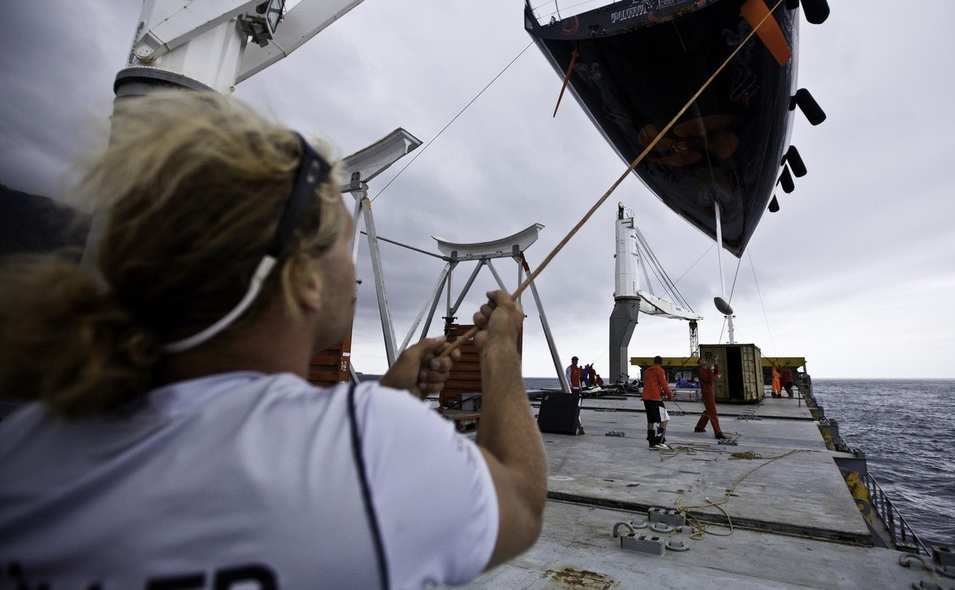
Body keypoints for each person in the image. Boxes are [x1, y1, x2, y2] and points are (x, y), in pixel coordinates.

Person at [0, 91, 547, 589]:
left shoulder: (25, 446)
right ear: (303, 280)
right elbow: (520, 501)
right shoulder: (374, 445)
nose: (352, 276)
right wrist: (501, 356)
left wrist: (392, 389)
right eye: (342, 247)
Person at [641, 355, 675, 450]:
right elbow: (664, 384)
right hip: (655, 399)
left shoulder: (647, 371)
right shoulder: (660, 370)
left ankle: (651, 443)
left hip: (646, 399)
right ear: (661, 363)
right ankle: (660, 441)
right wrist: (670, 395)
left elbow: (651, 384)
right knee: (664, 419)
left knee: (650, 420)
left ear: (654, 362)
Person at [694, 357, 725, 439]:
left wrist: (716, 363)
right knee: (712, 413)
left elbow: (715, 372)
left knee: (708, 411)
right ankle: (718, 432)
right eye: (701, 360)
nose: (703, 360)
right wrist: (711, 370)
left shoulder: (706, 369)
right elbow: (709, 380)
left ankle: (699, 427)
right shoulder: (701, 371)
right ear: (699, 364)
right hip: (707, 393)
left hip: (708, 393)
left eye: (703, 360)